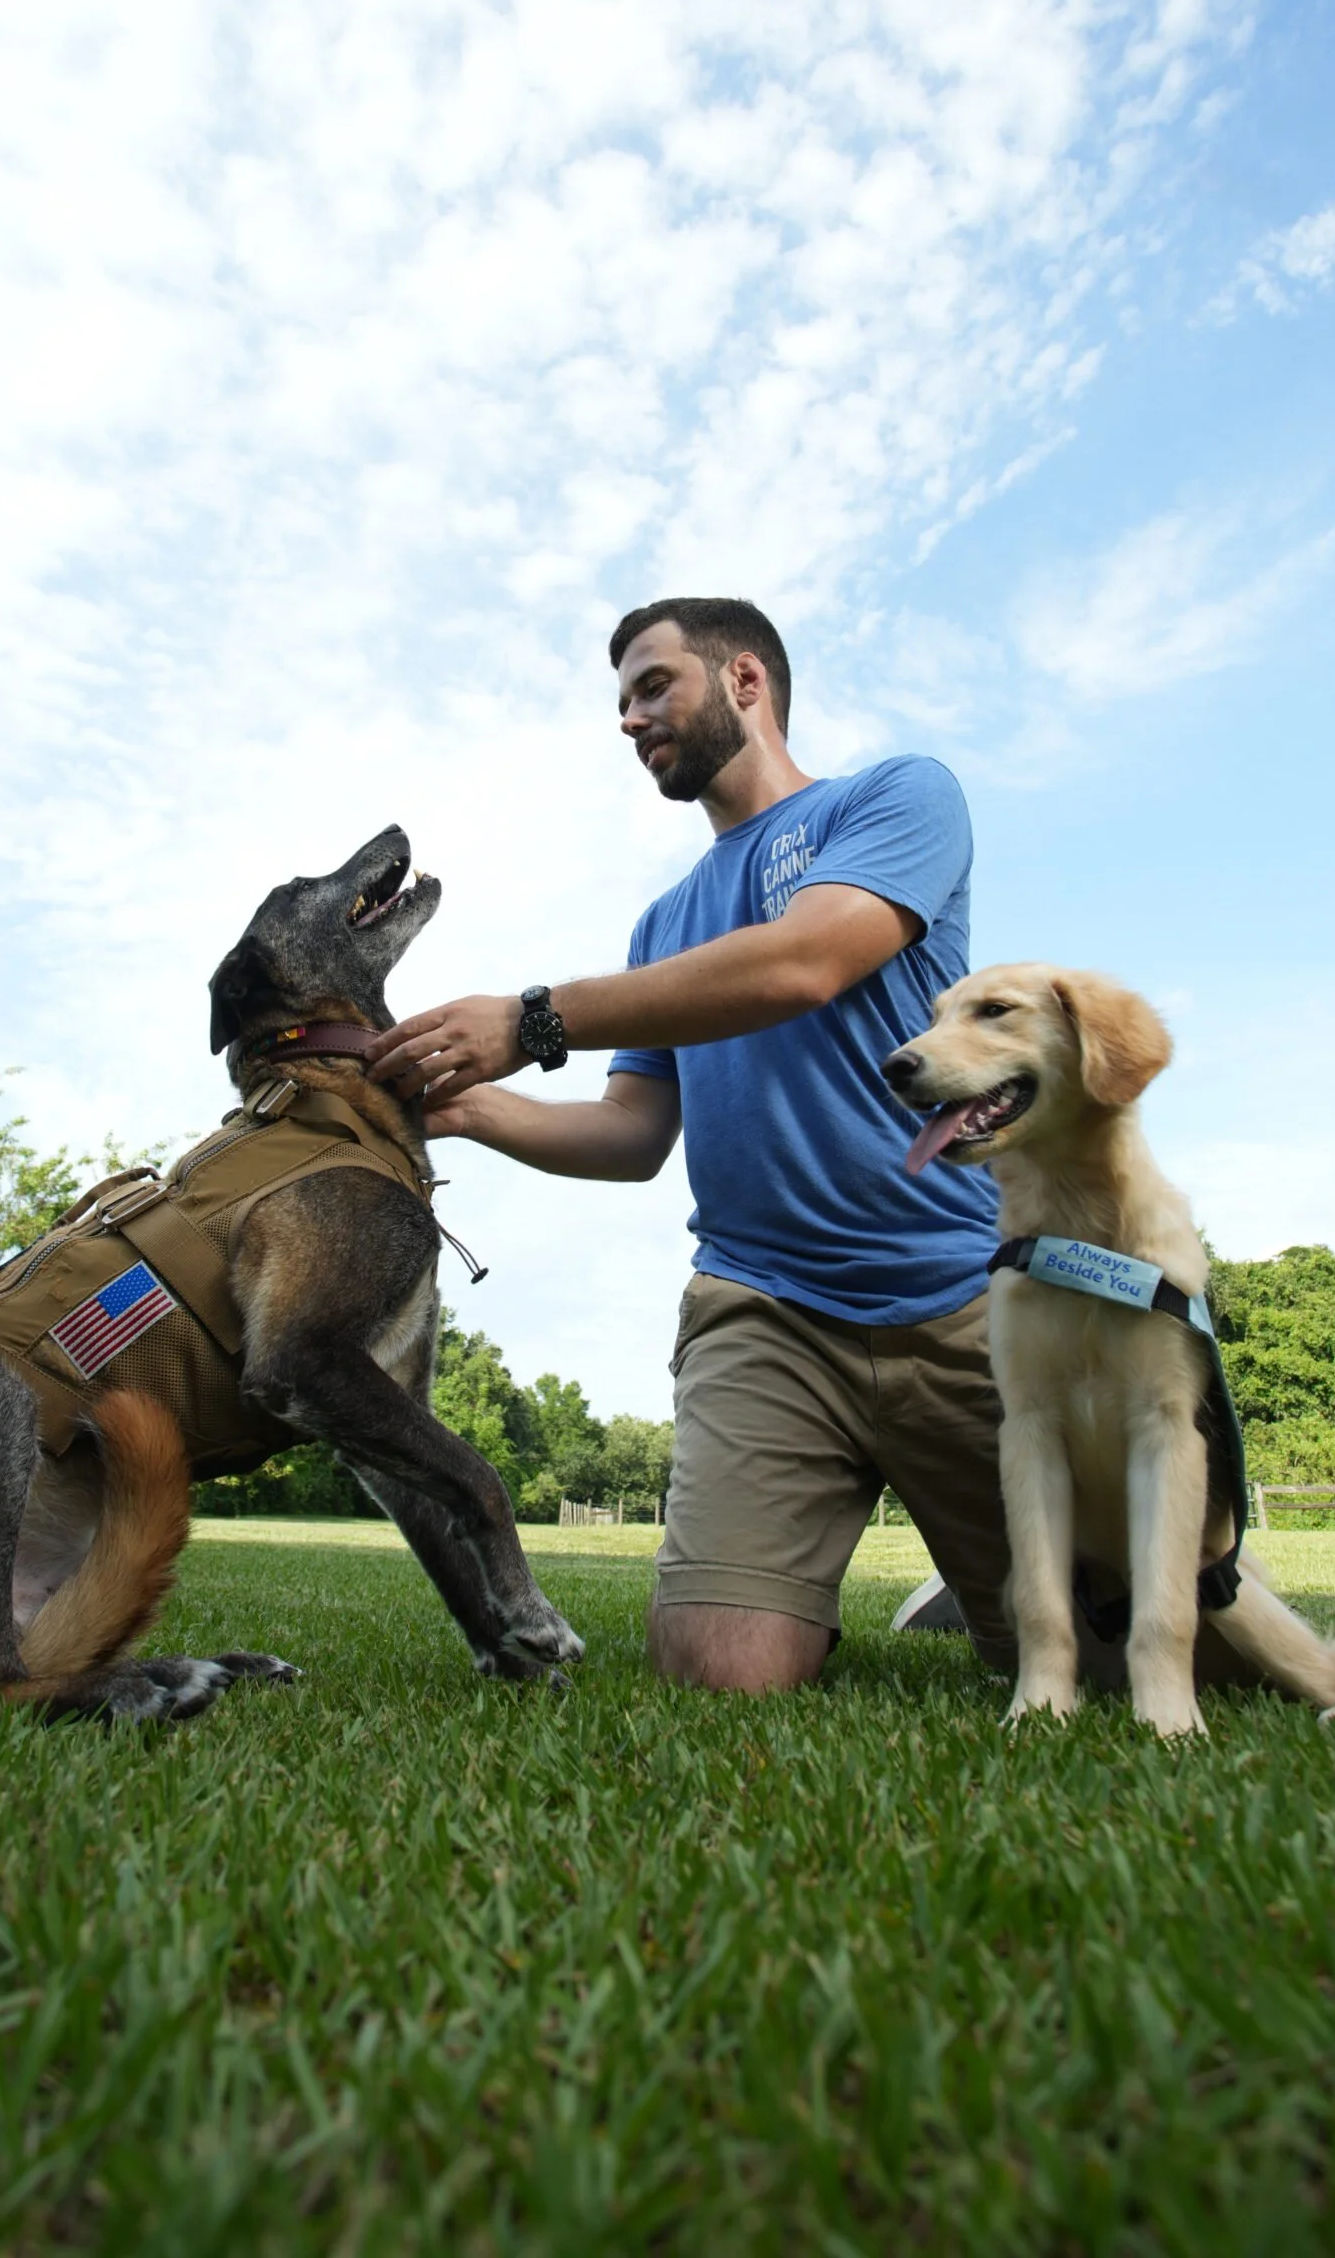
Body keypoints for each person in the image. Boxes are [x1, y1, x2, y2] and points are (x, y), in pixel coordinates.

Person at [366, 596, 1017, 1691]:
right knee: (717, 1673)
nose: (629, 718)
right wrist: (460, 1106)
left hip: (960, 1296)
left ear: (746, 681)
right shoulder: (662, 924)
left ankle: (971, 1573)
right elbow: (631, 1135)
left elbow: (806, 960)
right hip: (764, 1314)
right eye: (620, 701)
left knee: (1128, 1656)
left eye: (653, 684)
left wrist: (532, 1022)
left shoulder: (900, 796)